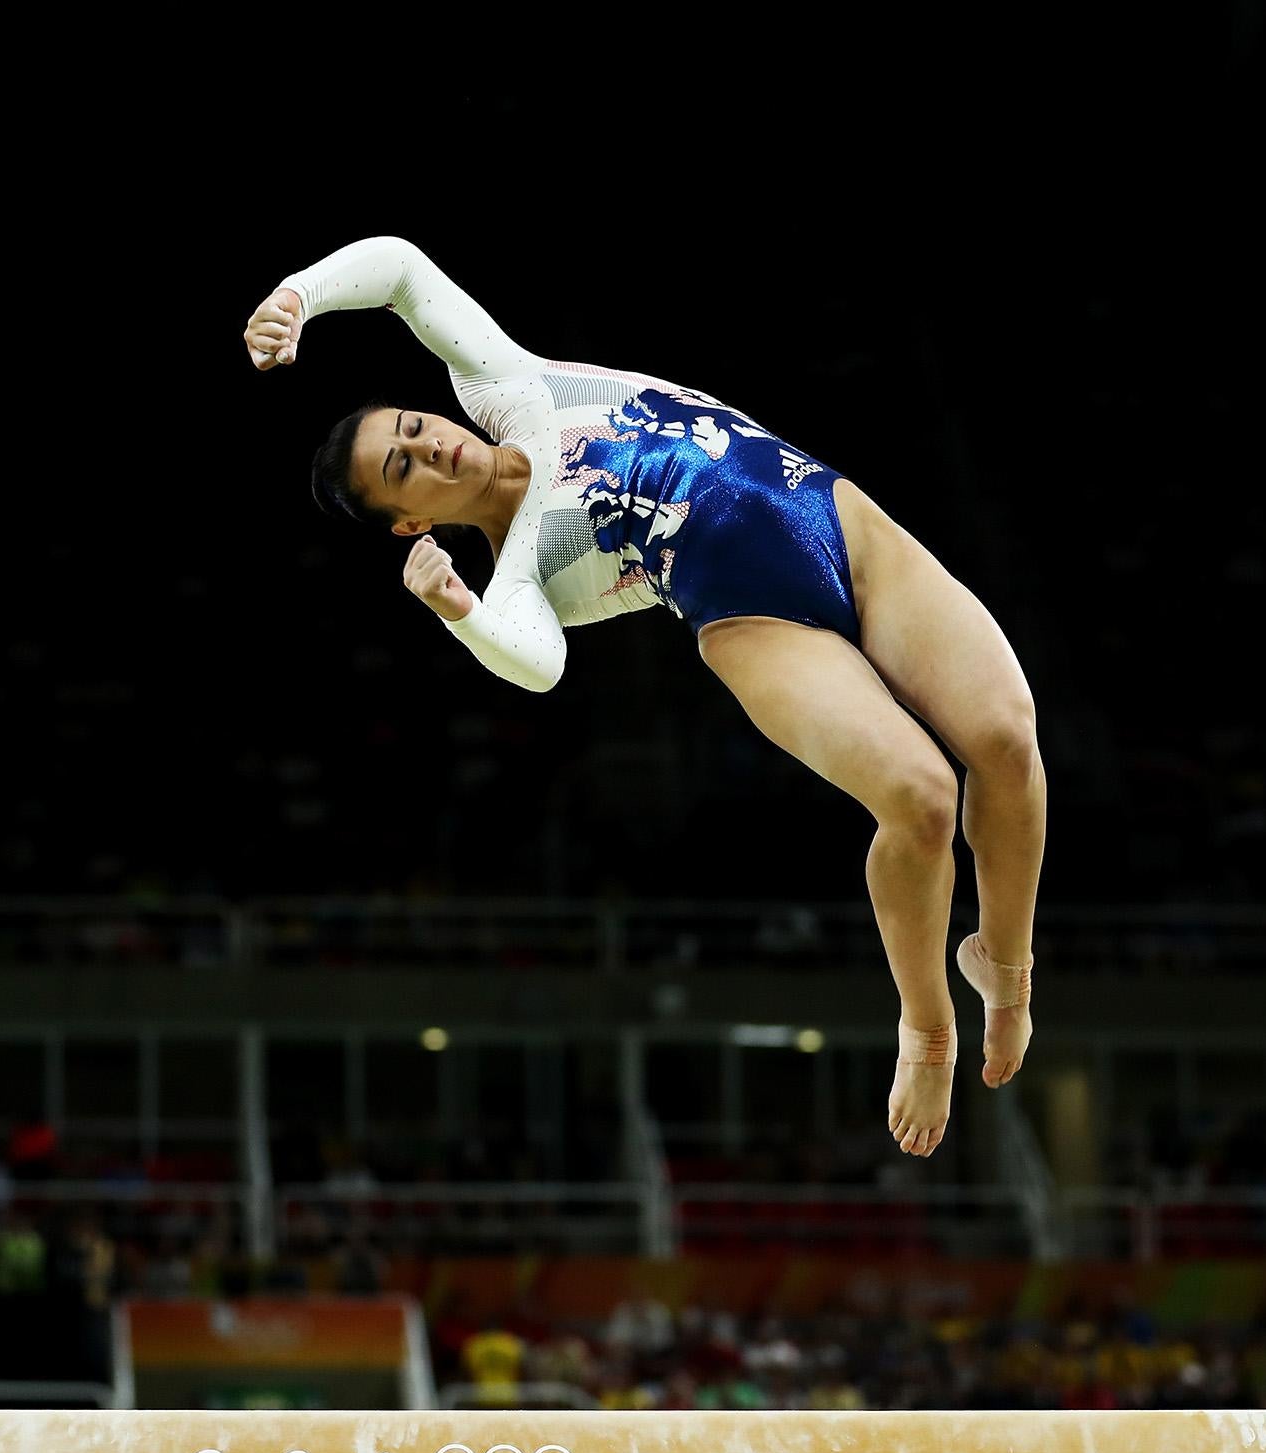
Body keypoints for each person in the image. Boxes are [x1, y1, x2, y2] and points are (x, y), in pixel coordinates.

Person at [248, 237, 1046, 1158]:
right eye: (405, 469)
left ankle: (1006, 972)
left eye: (414, 427)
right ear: (413, 520)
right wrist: (459, 610)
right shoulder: (523, 566)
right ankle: (929, 1026)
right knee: (920, 798)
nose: (431, 445)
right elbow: (536, 663)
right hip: (753, 620)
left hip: (838, 518)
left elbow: (397, 270)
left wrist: (297, 297)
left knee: (1006, 738)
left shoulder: (513, 389)